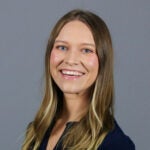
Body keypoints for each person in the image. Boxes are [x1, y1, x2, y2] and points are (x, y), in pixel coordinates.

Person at [22, 9, 135, 150]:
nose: (71, 60)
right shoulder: (36, 131)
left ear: (103, 61)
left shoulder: (115, 144)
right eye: (62, 47)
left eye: (86, 50)